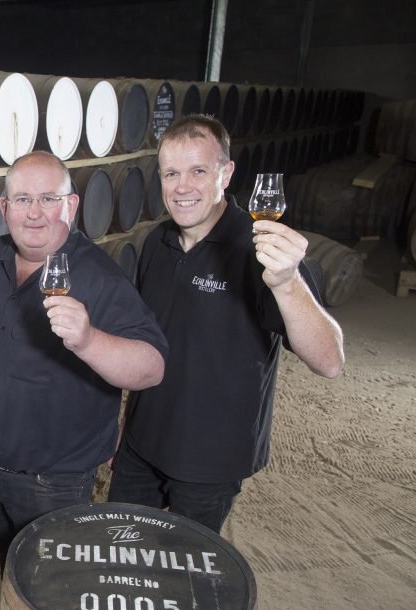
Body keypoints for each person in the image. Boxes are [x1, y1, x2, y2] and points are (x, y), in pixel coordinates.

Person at [107, 114, 345, 533]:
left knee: (186, 576)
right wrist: (126, 429)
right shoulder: (156, 244)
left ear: (226, 173)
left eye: (198, 171)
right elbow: (148, 346)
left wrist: (288, 283)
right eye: (171, 173)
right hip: (141, 446)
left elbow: (329, 360)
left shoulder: (262, 248)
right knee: (122, 559)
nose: (182, 187)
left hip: (208, 460)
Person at [0, 151, 168, 565]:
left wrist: (89, 341)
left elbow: (151, 366)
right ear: (4, 208)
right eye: (22, 200)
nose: (34, 214)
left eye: (49, 199)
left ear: (71, 205)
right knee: (2, 560)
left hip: (54, 482)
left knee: (50, 585)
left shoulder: (98, 277)